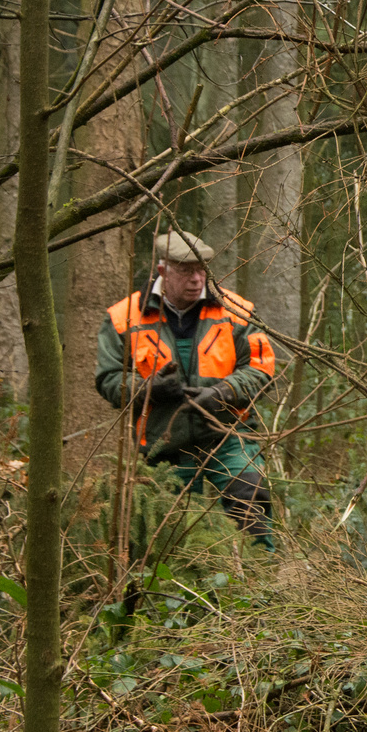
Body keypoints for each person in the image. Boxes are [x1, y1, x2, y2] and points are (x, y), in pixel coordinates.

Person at [96, 230, 278, 551]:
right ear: (162, 269)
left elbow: (262, 368)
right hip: (162, 444)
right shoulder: (124, 317)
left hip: (227, 433)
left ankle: (260, 577)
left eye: (202, 270)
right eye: (186, 271)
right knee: (168, 532)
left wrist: (224, 392)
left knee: (249, 499)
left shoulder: (235, 310)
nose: (197, 279)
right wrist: (148, 389)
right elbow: (109, 379)